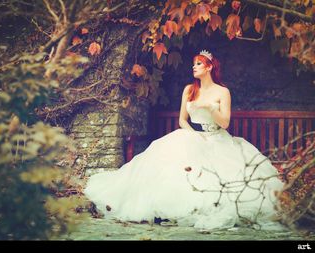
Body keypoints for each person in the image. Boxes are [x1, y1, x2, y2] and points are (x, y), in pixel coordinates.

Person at [84, 50, 284, 231]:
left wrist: (211, 108)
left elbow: (224, 123)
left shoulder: (222, 92)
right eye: (193, 64)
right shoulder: (189, 90)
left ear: (209, 67)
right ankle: (161, 206)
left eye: (198, 64)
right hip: (192, 134)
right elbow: (182, 119)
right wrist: (194, 135)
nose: (194, 67)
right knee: (171, 156)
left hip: (216, 137)